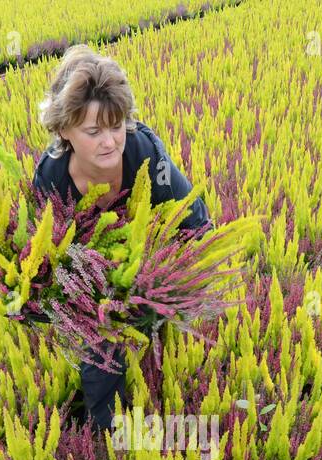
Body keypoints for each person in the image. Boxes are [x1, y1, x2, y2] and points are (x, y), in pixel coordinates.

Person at [31, 44, 212, 431]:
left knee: (160, 325)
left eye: (116, 126)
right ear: (64, 130)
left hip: (151, 254)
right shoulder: (51, 179)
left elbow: (195, 225)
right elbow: (45, 266)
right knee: (100, 343)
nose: (110, 142)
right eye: (93, 131)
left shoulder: (145, 152)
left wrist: (171, 287)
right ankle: (108, 432)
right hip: (91, 275)